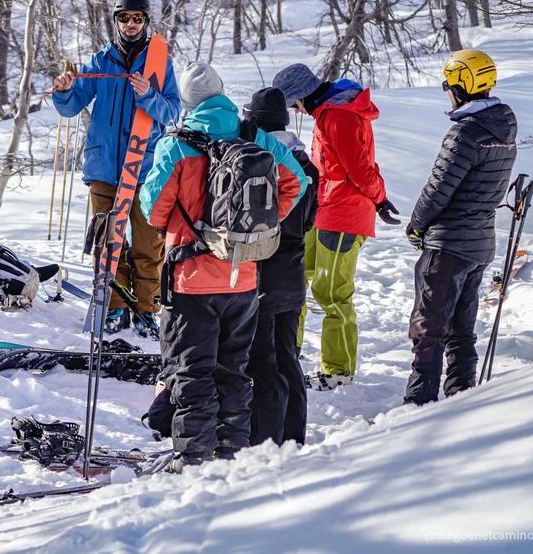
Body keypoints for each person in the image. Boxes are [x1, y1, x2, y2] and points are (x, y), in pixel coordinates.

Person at [140, 61, 306, 470]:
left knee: (192, 370)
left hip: (191, 277)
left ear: (187, 103)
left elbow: (152, 209)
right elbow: (297, 182)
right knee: (233, 369)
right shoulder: (256, 136)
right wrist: (262, 226)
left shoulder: (177, 144)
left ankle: (193, 457)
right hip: (244, 274)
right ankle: (229, 452)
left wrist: (186, 224)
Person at [52, 0, 180, 338]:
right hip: (104, 168)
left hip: (144, 169)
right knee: (108, 243)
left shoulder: (159, 63)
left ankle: (146, 309)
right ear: (116, 21)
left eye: (137, 18)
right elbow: (70, 105)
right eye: (124, 18)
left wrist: (147, 95)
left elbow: (172, 113)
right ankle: (115, 306)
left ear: (145, 22)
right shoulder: (100, 61)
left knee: (147, 245)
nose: (130, 24)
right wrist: (63, 89)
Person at [272, 63, 399, 391]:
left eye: (292, 104)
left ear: (300, 99)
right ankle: (287, 355)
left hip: (344, 215)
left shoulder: (337, 116)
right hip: (324, 211)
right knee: (294, 280)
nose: (294, 111)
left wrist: (380, 199)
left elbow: (360, 169)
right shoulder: (329, 113)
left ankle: (338, 370)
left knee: (331, 293)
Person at [403, 50, 516, 405]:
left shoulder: (465, 133)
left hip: (448, 243)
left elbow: (438, 188)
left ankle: (420, 400)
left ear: (461, 87)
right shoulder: (504, 126)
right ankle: (462, 398)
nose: (447, 93)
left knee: (429, 326)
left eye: (448, 86)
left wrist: (416, 225)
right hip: (480, 243)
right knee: (461, 330)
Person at [243, 87, 318, 447]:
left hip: (265, 267)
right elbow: (308, 220)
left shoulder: (259, 160)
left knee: (263, 358)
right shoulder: (306, 162)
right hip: (294, 268)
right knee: (287, 354)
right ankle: (293, 435)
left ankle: (267, 442)